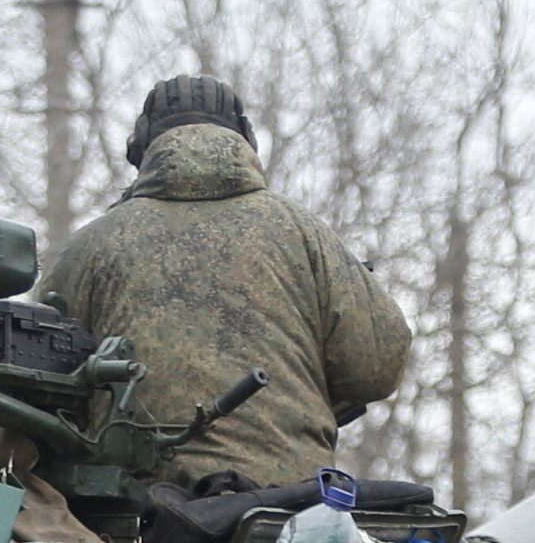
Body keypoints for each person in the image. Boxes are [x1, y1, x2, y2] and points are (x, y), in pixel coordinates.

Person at [37, 74, 410, 489]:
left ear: (140, 145)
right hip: (286, 504)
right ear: (247, 139)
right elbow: (375, 369)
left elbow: (37, 384)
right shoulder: (303, 233)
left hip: (135, 512)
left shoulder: (92, 244)